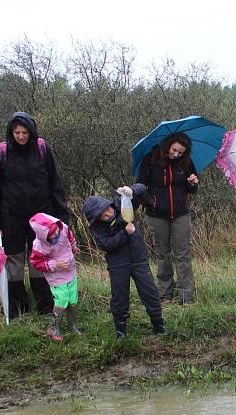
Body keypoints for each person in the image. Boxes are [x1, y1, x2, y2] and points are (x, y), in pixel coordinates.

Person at [0, 112, 69, 318]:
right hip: (10, 216)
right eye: (17, 132)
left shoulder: (42, 149)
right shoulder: (2, 152)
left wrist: (62, 219)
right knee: (13, 261)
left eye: (24, 132)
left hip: (41, 218)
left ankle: (45, 307)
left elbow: (55, 184)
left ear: (31, 132)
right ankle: (17, 308)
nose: (21, 136)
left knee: (38, 259)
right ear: (11, 133)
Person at [82, 184, 164, 338]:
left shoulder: (123, 204)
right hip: (118, 264)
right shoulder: (96, 228)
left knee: (150, 292)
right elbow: (106, 245)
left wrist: (131, 191)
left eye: (108, 209)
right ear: (97, 218)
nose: (108, 213)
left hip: (139, 258)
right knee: (119, 298)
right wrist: (125, 233)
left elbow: (142, 188)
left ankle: (159, 327)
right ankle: (121, 333)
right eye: (103, 215)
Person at [136, 132, 199, 305]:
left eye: (181, 152)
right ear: (168, 145)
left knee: (183, 254)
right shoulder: (150, 159)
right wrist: (152, 203)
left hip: (181, 214)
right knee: (162, 254)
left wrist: (193, 183)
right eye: (174, 150)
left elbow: (192, 188)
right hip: (157, 215)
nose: (176, 154)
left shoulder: (186, 163)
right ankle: (165, 294)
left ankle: (186, 296)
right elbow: (140, 186)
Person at [28, 213, 81, 341]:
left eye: (56, 230)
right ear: (43, 235)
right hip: (56, 277)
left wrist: (73, 247)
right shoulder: (39, 246)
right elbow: (36, 263)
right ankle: (53, 327)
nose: (56, 234)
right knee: (62, 300)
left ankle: (72, 325)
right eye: (51, 234)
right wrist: (55, 264)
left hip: (70, 271)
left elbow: (69, 236)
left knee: (73, 299)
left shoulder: (63, 228)